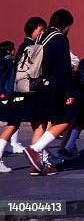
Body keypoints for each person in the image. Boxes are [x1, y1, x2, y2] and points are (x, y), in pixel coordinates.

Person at [22, 9, 76, 175]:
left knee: (43, 125)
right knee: (66, 119)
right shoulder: (59, 38)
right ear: (66, 25)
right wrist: (68, 93)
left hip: (37, 86)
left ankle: (38, 165)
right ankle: (35, 149)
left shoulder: (41, 37)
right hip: (52, 88)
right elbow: (64, 68)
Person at [0, 17, 48, 164]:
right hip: (28, 92)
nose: (42, 33)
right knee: (39, 124)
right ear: (34, 29)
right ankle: (40, 159)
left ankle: (42, 158)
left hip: (17, 92)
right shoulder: (32, 47)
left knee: (14, 125)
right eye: (41, 30)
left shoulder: (22, 46)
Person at [0, 41, 16, 173]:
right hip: (5, 97)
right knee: (13, 123)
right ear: (9, 51)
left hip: (3, 95)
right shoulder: (9, 63)